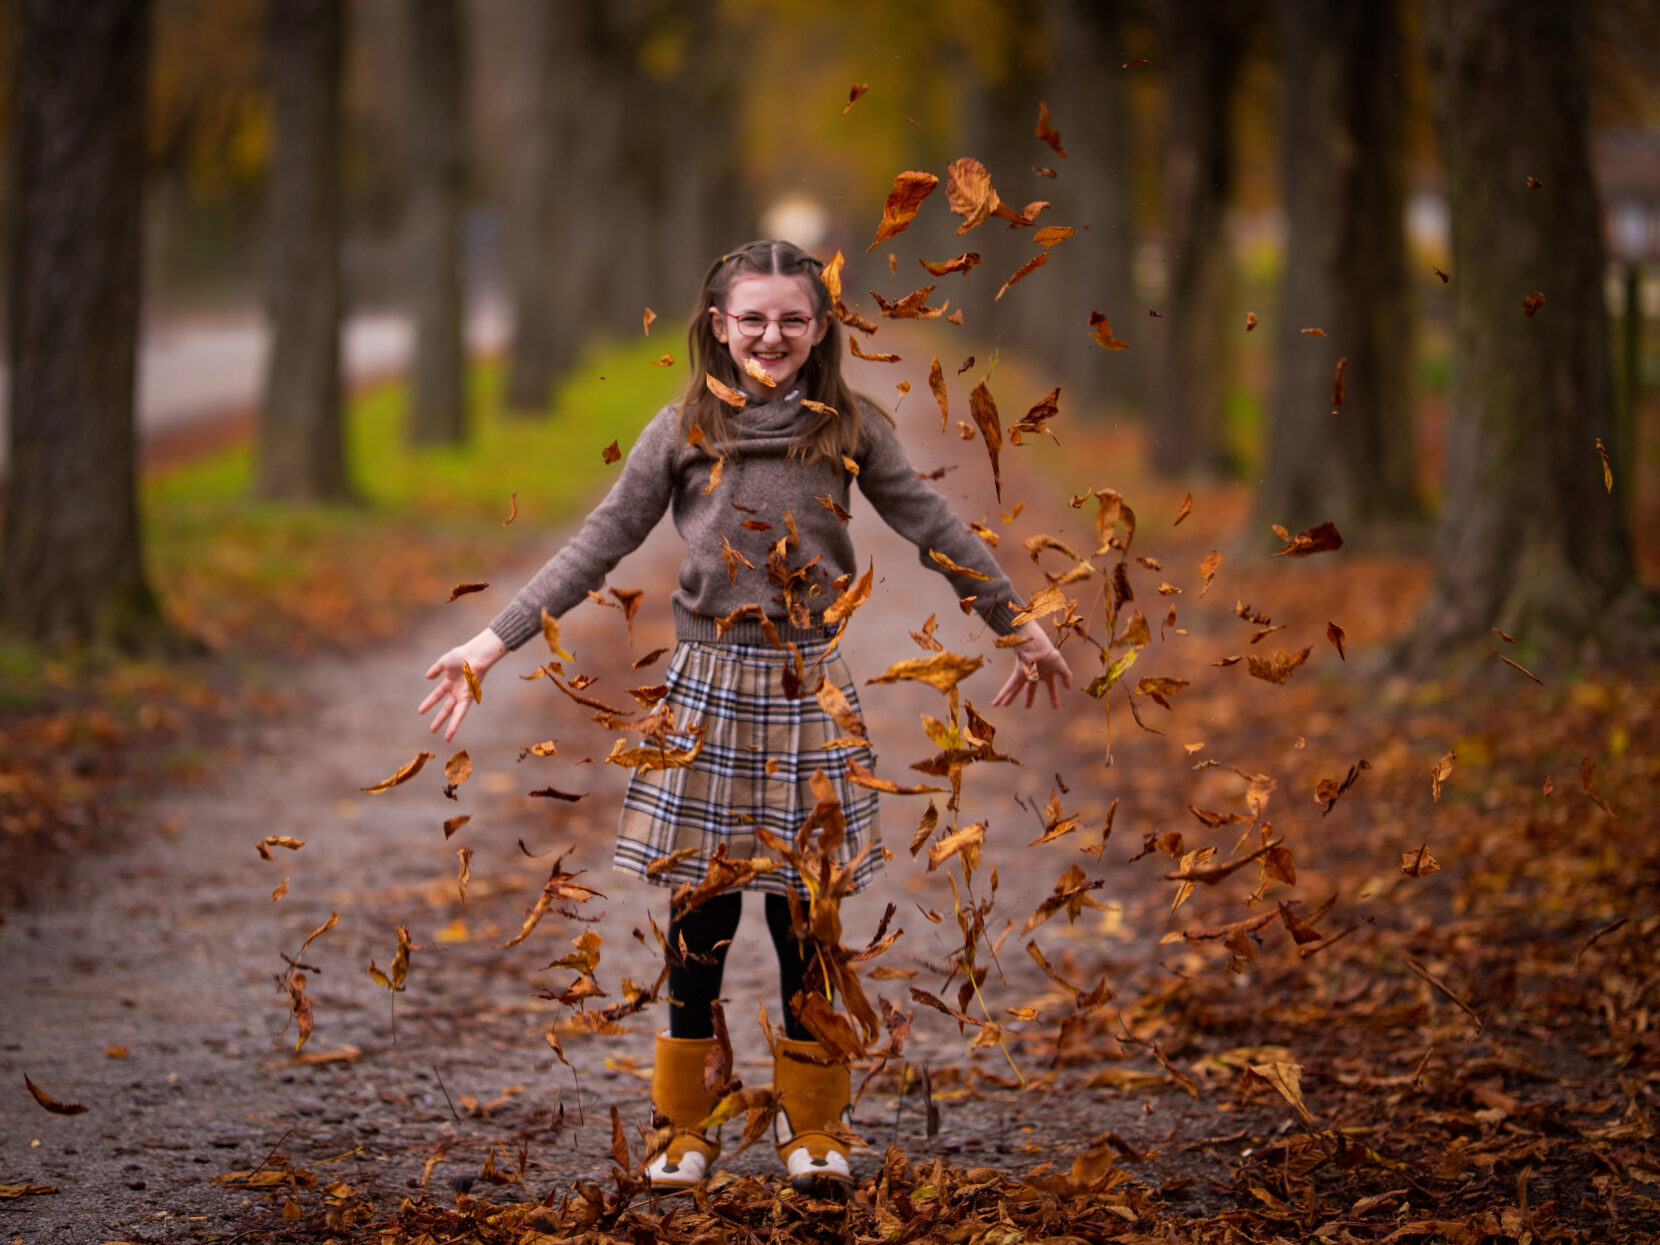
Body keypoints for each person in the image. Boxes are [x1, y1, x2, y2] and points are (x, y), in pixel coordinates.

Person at [418, 239, 1071, 1193]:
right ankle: (687, 1124)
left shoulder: (850, 426)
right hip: (709, 692)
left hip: (812, 691)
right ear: (719, 326)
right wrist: (491, 642)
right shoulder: (681, 428)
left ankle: (816, 1126)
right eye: (752, 318)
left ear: (820, 327)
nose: (772, 335)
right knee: (703, 916)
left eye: (791, 319)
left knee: (808, 917)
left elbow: (934, 527)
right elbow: (600, 541)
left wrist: (1017, 622)